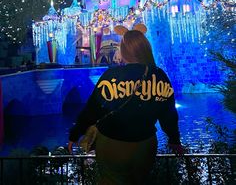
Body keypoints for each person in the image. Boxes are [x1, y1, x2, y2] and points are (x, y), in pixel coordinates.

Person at [68, 23, 183, 184]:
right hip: (145, 144)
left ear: (123, 50)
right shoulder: (159, 75)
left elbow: (93, 109)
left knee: (111, 180)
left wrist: (75, 133)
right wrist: (174, 139)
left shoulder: (111, 75)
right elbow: (168, 113)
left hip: (112, 143)